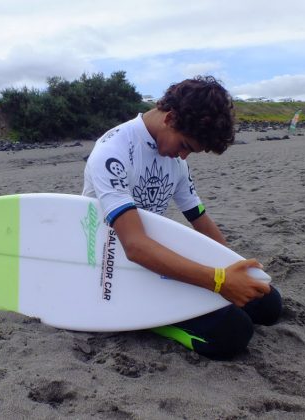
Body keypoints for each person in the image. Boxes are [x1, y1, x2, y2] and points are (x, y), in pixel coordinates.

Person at [82, 76, 282, 359]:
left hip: (156, 257)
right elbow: (135, 246)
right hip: (114, 266)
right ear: (171, 118)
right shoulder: (112, 152)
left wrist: (235, 268)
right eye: (185, 145)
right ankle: (154, 324)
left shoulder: (176, 160)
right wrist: (219, 282)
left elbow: (199, 218)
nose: (184, 156)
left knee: (268, 305)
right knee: (233, 333)